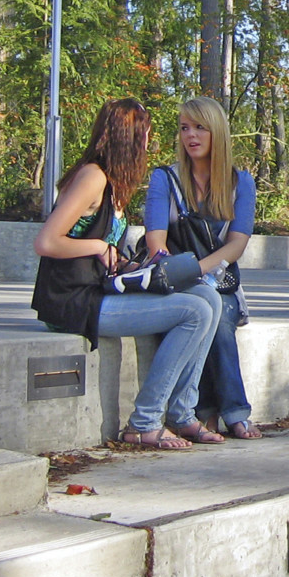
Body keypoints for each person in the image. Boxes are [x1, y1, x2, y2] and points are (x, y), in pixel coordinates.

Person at [32, 98, 221, 450]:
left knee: (208, 296)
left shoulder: (116, 182)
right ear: (129, 137)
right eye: (146, 134)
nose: (149, 142)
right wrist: (98, 248)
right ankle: (144, 423)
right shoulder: (92, 177)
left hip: (99, 290)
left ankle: (181, 412)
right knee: (193, 312)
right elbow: (46, 242)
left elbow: (105, 251)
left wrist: (132, 266)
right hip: (73, 301)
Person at [143, 96, 261, 440]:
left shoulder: (241, 182)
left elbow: (237, 243)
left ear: (217, 133)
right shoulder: (165, 178)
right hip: (173, 277)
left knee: (219, 313)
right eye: (184, 128)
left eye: (199, 128)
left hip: (218, 278)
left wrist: (201, 273)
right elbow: (155, 241)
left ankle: (227, 411)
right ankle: (211, 412)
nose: (190, 136)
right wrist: (184, 275)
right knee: (197, 310)